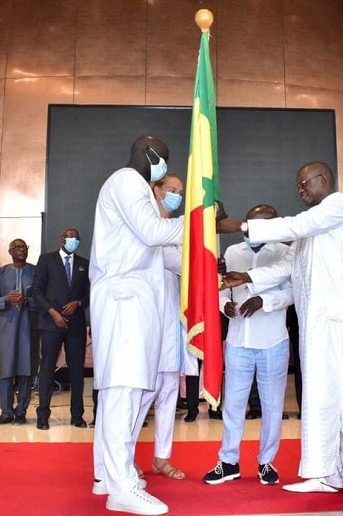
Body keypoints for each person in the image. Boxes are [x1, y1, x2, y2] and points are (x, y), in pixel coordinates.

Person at [220, 162, 343, 505]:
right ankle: (327, 473)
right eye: (298, 186)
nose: (301, 190)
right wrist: (247, 278)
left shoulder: (339, 206)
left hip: (337, 318)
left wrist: (243, 225)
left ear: (323, 179)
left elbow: (296, 224)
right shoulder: (309, 231)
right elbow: (285, 266)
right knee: (320, 396)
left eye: (304, 184)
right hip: (314, 324)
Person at [90, 135, 184, 515]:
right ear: (148, 156)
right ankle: (121, 487)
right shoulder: (128, 180)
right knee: (124, 392)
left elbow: (159, 251)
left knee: (124, 394)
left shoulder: (137, 189)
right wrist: (197, 223)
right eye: (163, 160)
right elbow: (153, 232)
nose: (164, 166)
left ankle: (108, 475)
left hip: (133, 301)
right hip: (124, 299)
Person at [203, 204, 293, 487]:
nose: (247, 230)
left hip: (273, 341)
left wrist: (264, 301)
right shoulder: (232, 253)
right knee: (233, 404)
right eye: (247, 224)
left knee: (271, 405)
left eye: (255, 225)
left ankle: (267, 462)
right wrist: (223, 305)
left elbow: (293, 292)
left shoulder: (284, 252)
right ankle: (228, 462)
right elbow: (222, 288)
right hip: (239, 340)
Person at [134, 174, 193, 481]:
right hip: (147, 327)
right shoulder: (146, 227)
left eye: (180, 193)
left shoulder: (177, 229)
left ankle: (161, 458)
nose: (176, 196)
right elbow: (174, 260)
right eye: (171, 191)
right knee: (143, 395)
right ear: (156, 191)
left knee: (170, 393)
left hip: (173, 325)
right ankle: (124, 457)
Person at [32, 227, 90, 430]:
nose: (73, 240)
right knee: (47, 368)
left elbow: (90, 293)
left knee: (76, 371)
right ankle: (43, 415)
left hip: (76, 325)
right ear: (62, 238)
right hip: (50, 323)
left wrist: (79, 303)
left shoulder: (84, 264)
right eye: (70, 237)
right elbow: (36, 291)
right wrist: (53, 313)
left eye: (77, 237)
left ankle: (77, 415)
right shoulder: (46, 260)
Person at [0, 239, 38, 425]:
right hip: (6, 328)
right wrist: (6, 298)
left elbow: (43, 298)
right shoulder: (0, 274)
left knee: (26, 370)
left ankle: (21, 412)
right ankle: (6, 412)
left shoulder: (35, 272)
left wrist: (28, 301)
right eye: (17, 247)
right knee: (6, 370)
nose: (21, 250)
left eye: (24, 247)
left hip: (29, 327)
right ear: (10, 251)